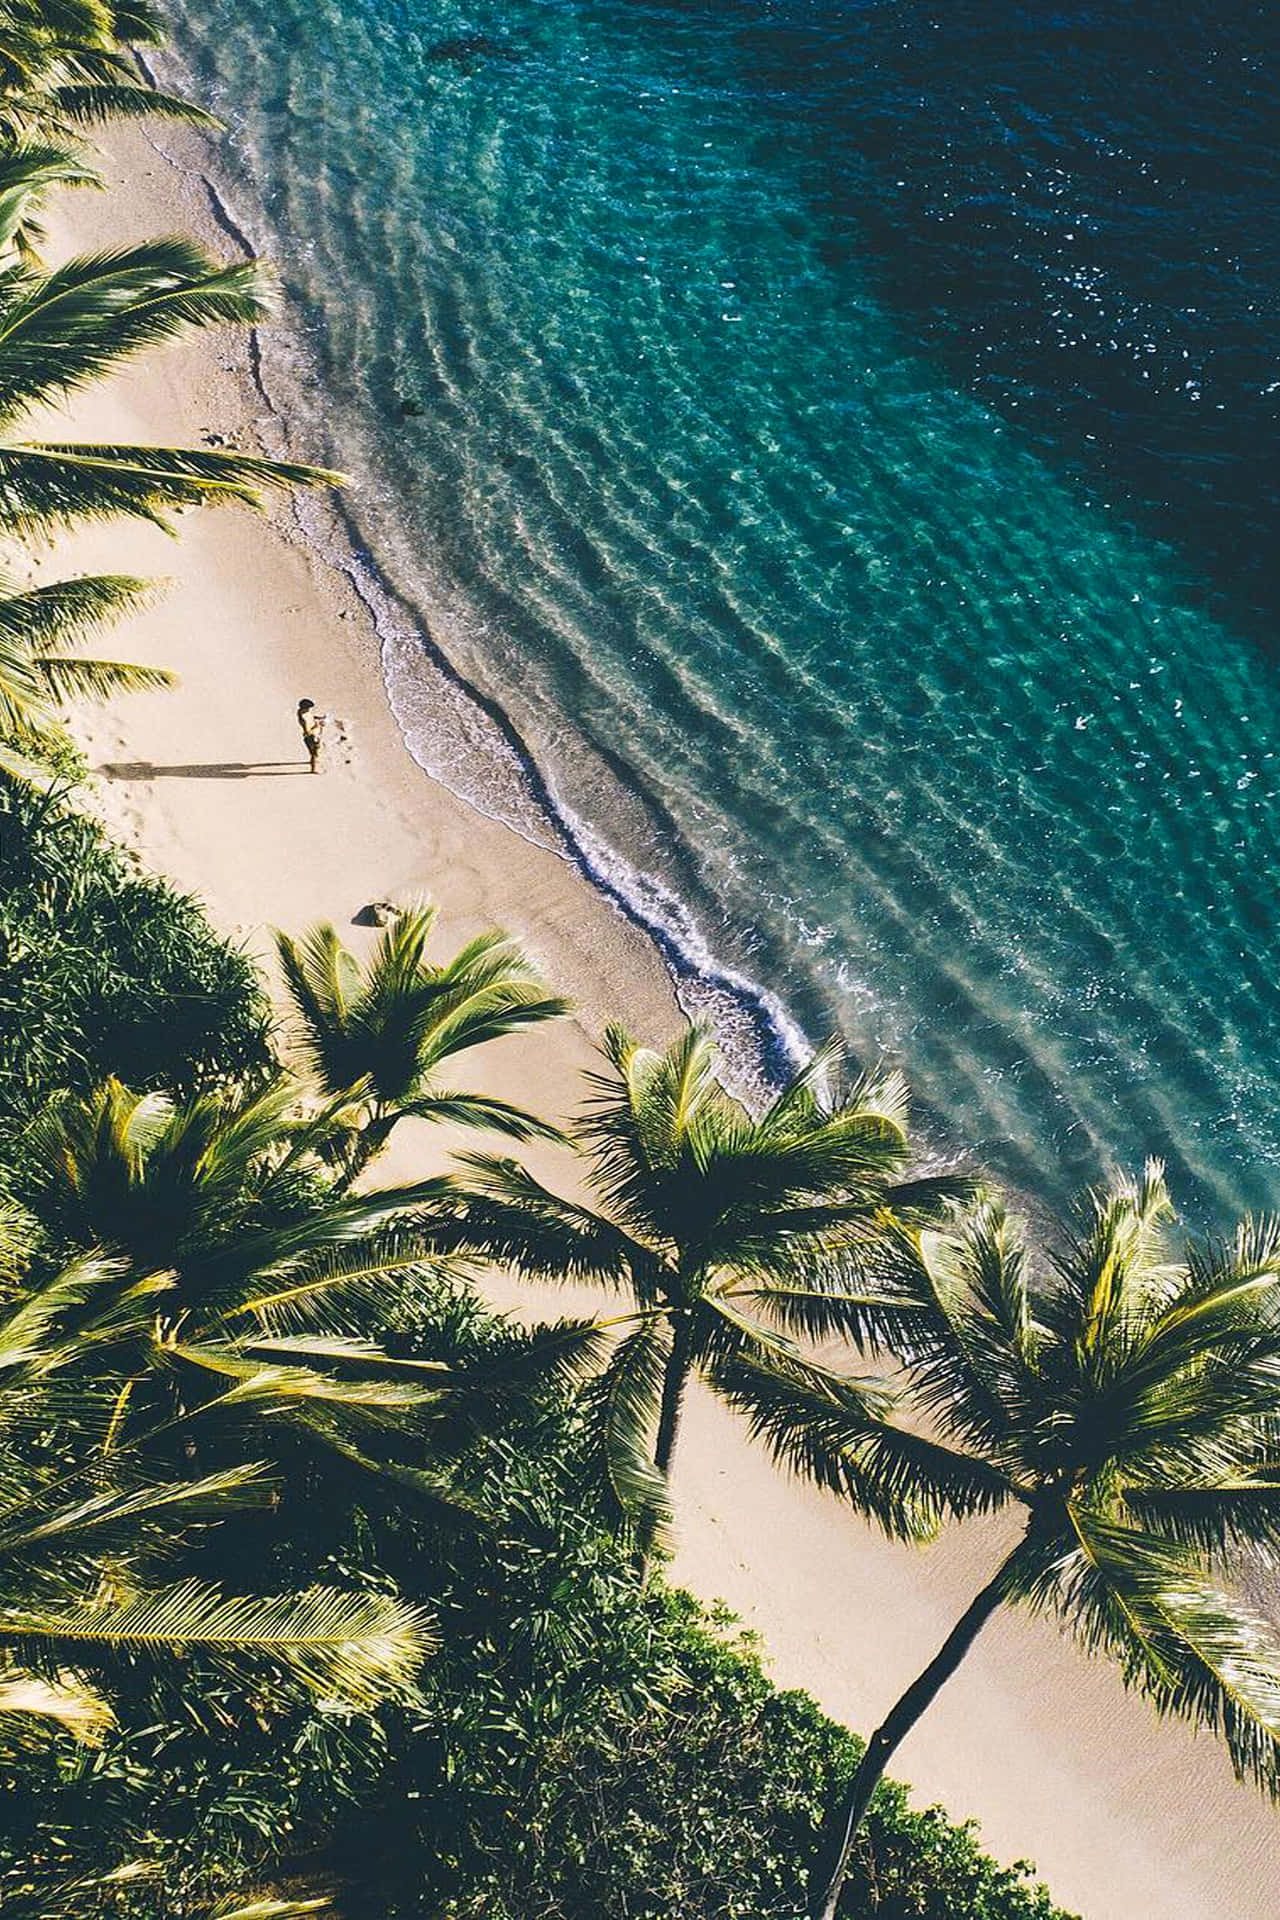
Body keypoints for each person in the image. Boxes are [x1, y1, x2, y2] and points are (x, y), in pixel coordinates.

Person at [296, 697, 327, 773]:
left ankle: (312, 762)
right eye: (309, 708)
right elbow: (307, 732)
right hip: (310, 737)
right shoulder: (303, 720)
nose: (310, 710)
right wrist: (318, 725)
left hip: (314, 734)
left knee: (315, 752)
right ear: (305, 708)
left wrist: (319, 718)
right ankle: (313, 769)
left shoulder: (301, 712)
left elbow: (311, 716)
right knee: (314, 753)